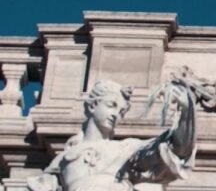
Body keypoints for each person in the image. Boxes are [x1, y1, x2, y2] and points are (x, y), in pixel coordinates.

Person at [27, 80, 195, 191]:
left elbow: (176, 148)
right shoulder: (63, 159)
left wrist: (186, 114)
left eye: (121, 111)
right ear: (92, 106)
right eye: (111, 105)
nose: (116, 114)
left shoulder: (125, 148)